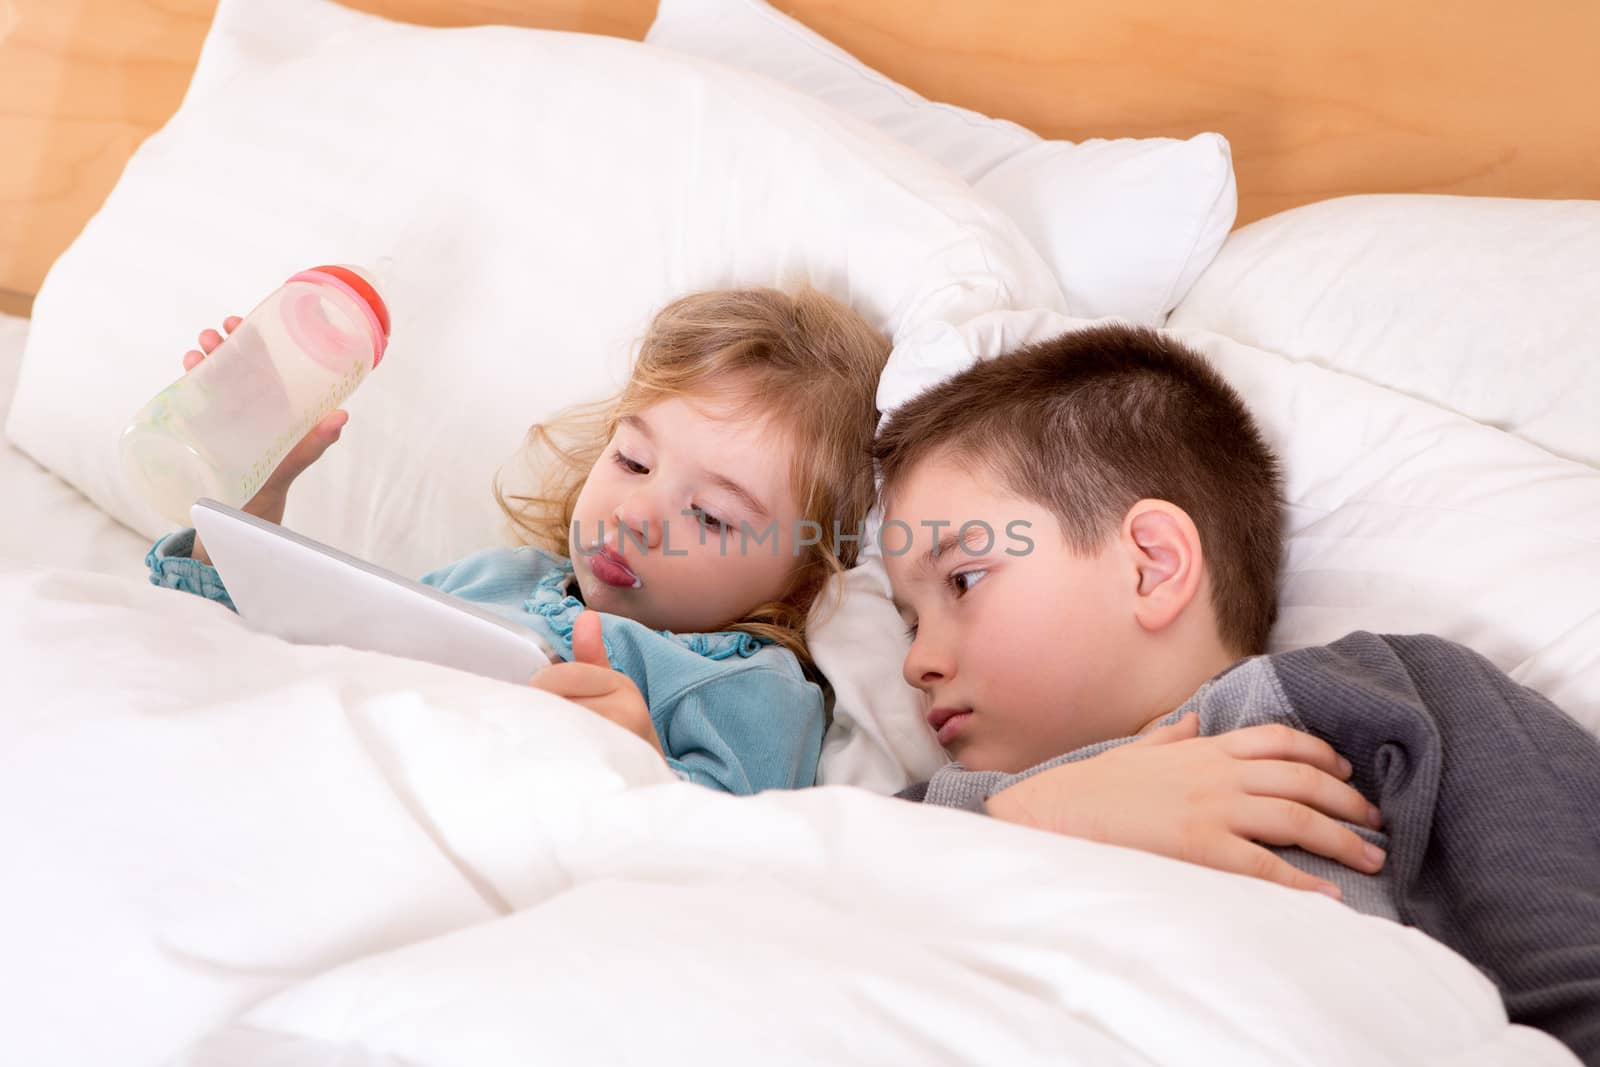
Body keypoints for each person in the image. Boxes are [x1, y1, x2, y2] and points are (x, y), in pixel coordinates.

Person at [874, 322, 1600, 1057]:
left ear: (1151, 565)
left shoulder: (1389, 696)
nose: (916, 663)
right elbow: (810, 898)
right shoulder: (933, 814)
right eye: (907, 623)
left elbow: (1575, 973)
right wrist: (1033, 811)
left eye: (963, 580)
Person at [146, 286, 890, 797]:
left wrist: (641, 763)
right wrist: (251, 501)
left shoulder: (750, 691)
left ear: (805, 574)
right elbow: (254, 650)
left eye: (713, 516)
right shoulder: (498, 577)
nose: (635, 512)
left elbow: (743, 873)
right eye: (631, 460)